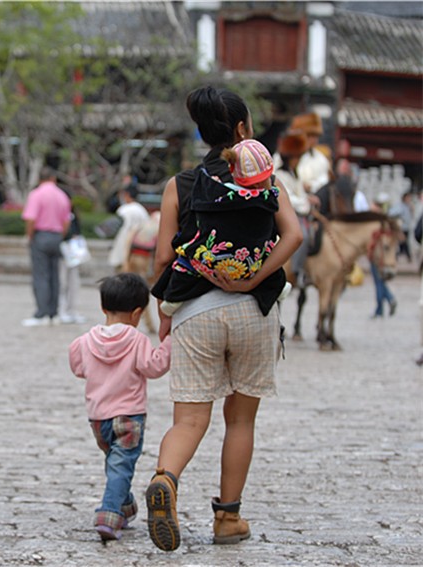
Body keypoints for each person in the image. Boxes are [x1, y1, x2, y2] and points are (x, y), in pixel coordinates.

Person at [145, 85, 302, 551]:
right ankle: (228, 519)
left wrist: (164, 309)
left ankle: (166, 481)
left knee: (190, 419)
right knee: (240, 421)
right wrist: (254, 279)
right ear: (240, 129)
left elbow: (161, 257)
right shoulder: (269, 182)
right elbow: (293, 236)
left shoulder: (182, 184)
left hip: (196, 311)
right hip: (254, 313)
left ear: (201, 132)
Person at [68, 273, 171, 541]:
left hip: (98, 419)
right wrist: (170, 341)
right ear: (137, 313)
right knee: (121, 466)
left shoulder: (85, 341)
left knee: (115, 464)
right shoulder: (137, 340)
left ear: (103, 308)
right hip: (129, 416)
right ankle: (109, 514)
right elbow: (154, 367)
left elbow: (78, 367)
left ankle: (126, 508)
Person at [21, 166, 71, 327]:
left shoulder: (36, 194)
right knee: (55, 276)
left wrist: (30, 236)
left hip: (41, 235)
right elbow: (66, 221)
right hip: (57, 236)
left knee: (40, 275)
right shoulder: (62, 195)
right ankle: (53, 312)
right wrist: (60, 235)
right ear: (53, 178)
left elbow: (30, 219)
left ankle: (41, 312)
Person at [273, 130, 316, 286]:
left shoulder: (294, 174)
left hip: (302, 211)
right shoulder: (280, 175)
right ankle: (296, 271)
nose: (298, 161)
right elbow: (289, 198)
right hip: (291, 212)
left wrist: (308, 198)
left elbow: (299, 194)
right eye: (297, 158)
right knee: (301, 235)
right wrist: (306, 202)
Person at [107, 180, 150, 271]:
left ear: (126, 194)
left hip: (122, 247)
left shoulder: (123, 210)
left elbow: (114, 229)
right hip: (137, 250)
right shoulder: (142, 211)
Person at [58, 201, 87, 325]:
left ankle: (72, 310)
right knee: (62, 282)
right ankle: (61, 310)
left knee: (73, 282)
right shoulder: (60, 214)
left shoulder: (73, 216)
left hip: (73, 252)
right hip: (62, 250)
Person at [369, 196, 397, 318]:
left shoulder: (378, 222)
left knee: (379, 282)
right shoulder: (384, 221)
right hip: (379, 256)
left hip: (378, 257)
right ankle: (389, 300)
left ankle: (381, 307)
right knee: (380, 282)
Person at [290, 112, 331, 195]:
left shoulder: (321, 159)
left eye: (316, 136)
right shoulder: (286, 156)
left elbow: (325, 180)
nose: (314, 140)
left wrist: (311, 186)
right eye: (310, 136)